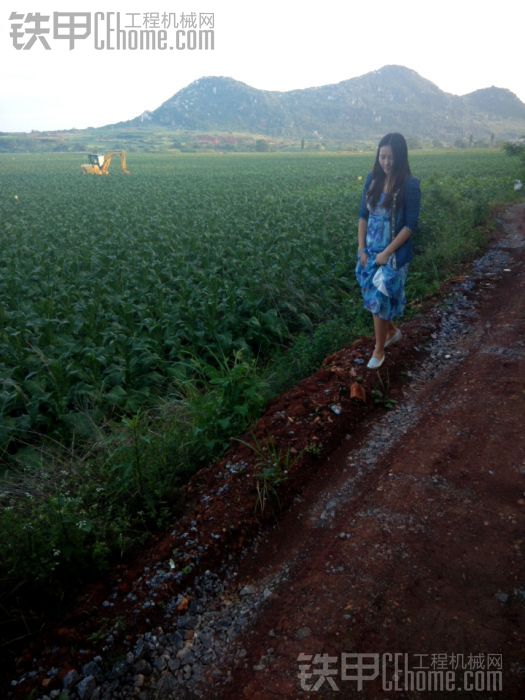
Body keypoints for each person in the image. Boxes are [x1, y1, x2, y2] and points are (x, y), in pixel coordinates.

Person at [355, 133, 421, 369]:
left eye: (391, 157)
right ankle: (391, 331)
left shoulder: (410, 185)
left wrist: (387, 253)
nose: (386, 162)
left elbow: (409, 226)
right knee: (373, 296)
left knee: (379, 298)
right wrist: (362, 248)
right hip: (369, 251)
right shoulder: (372, 179)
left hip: (393, 254)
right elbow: (363, 216)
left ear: (400, 157)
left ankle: (379, 350)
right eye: (382, 156)